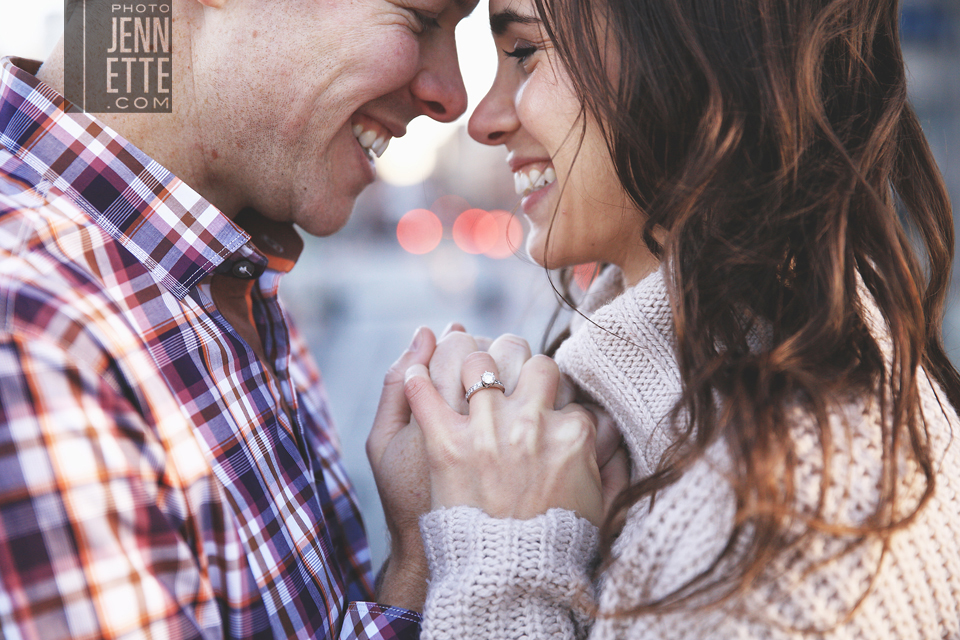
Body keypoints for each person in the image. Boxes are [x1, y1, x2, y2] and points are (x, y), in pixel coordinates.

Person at [399, 0, 960, 636]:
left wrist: (506, 570)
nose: (484, 120)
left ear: (694, 50)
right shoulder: (684, 428)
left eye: (525, 53)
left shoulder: (788, 540)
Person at [0, 0, 478, 637]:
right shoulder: (34, 332)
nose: (453, 94)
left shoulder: (220, 275)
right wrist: (427, 565)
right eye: (421, 19)